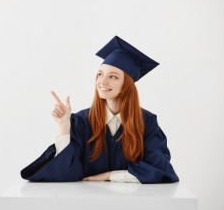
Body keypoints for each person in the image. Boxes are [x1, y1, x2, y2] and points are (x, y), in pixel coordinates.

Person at [20, 36, 179, 184]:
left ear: (127, 85)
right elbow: (64, 172)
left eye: (113, 76)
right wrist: (63, 126)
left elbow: (161, 169)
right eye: (100, 74)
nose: (102, 81)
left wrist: (109, 176)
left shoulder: (146, 122)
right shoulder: (81, 121)